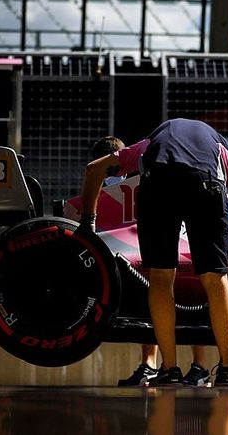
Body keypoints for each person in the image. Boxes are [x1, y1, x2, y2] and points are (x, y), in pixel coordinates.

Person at [79, 118, 228, 387]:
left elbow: (94, 169)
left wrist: (88, 224)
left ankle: (169, 369)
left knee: (160, 278)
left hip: (159, 183)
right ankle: (227, 370)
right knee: (216, 279)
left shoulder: (150, 144)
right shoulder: (220, 152)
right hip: (206, 187)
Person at [87, 136, 211, 387]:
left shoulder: (148, 175)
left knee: (180, 302)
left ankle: (192, 366)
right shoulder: (145, 174)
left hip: (164, 253)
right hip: (155, 255)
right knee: (159, 304)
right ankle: (173, 366)